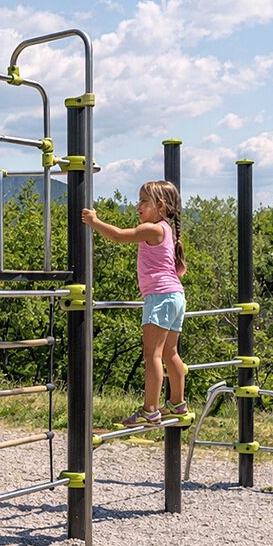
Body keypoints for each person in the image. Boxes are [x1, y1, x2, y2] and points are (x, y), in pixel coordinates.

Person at [82, 181, 187, 427]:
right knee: (171, 353)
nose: (137, 206)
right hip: (175, 296)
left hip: (160, 297)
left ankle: (150, 410)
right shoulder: (167, 229)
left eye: (143, 201)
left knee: (153, 355)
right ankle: (177, 404)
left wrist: (94, 221)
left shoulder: (153, 229)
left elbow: (118, 236)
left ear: (160, 206)